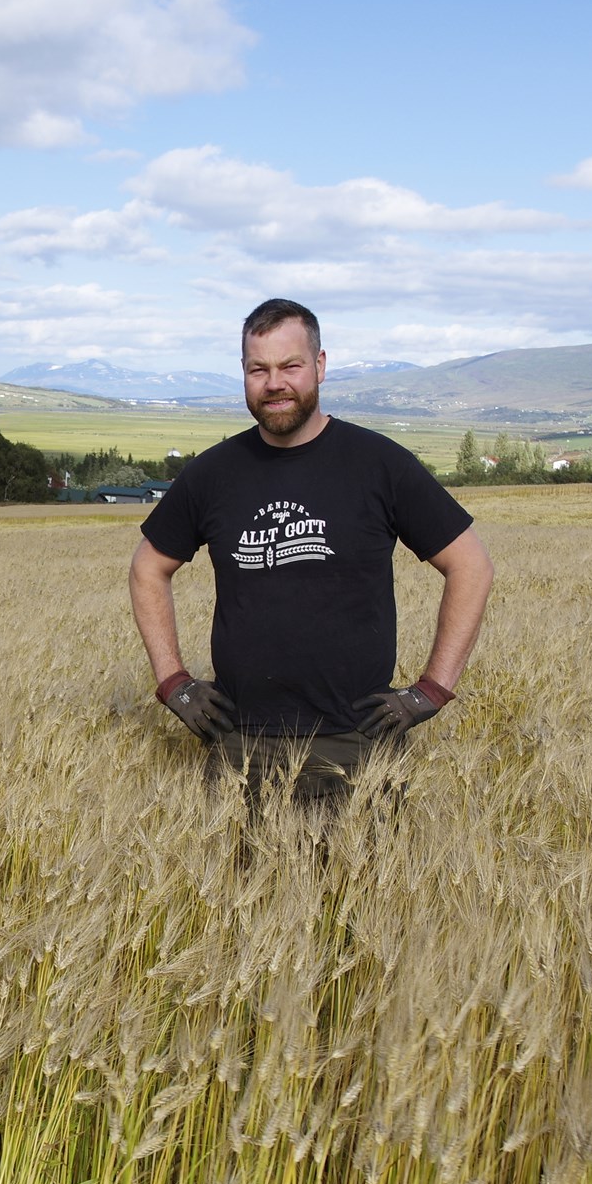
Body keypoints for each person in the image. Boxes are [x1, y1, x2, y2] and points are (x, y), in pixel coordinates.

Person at [128, 298, 494, 831]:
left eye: (290, 366)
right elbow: (147, 568)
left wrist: (431, 690)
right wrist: (173, 683)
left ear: (319, 365)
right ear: (245, 375)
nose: (274, 383)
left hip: (356, 742)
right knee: (229, 903)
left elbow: (471, 565)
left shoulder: (379, 464)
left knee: (363, 901)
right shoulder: (212, 474)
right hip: (239, 742)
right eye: (259, 369)